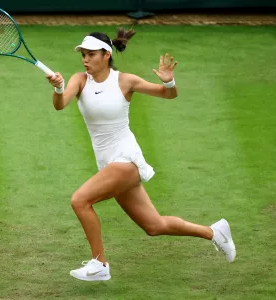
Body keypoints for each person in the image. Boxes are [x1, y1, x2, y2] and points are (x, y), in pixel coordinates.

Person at [46, 28, 236, 282]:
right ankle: (215, 232)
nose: (85, 60)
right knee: (154, 226)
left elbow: (168, 94)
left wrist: (168, 81)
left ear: (105, 55)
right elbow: (61, 105)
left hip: (125, 159)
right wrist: (58, 89)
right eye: (83, 55)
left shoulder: (125, 81)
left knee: (80, 200)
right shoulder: (79, 80)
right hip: (109, 165)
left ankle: (99, 263)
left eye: (91, 54)